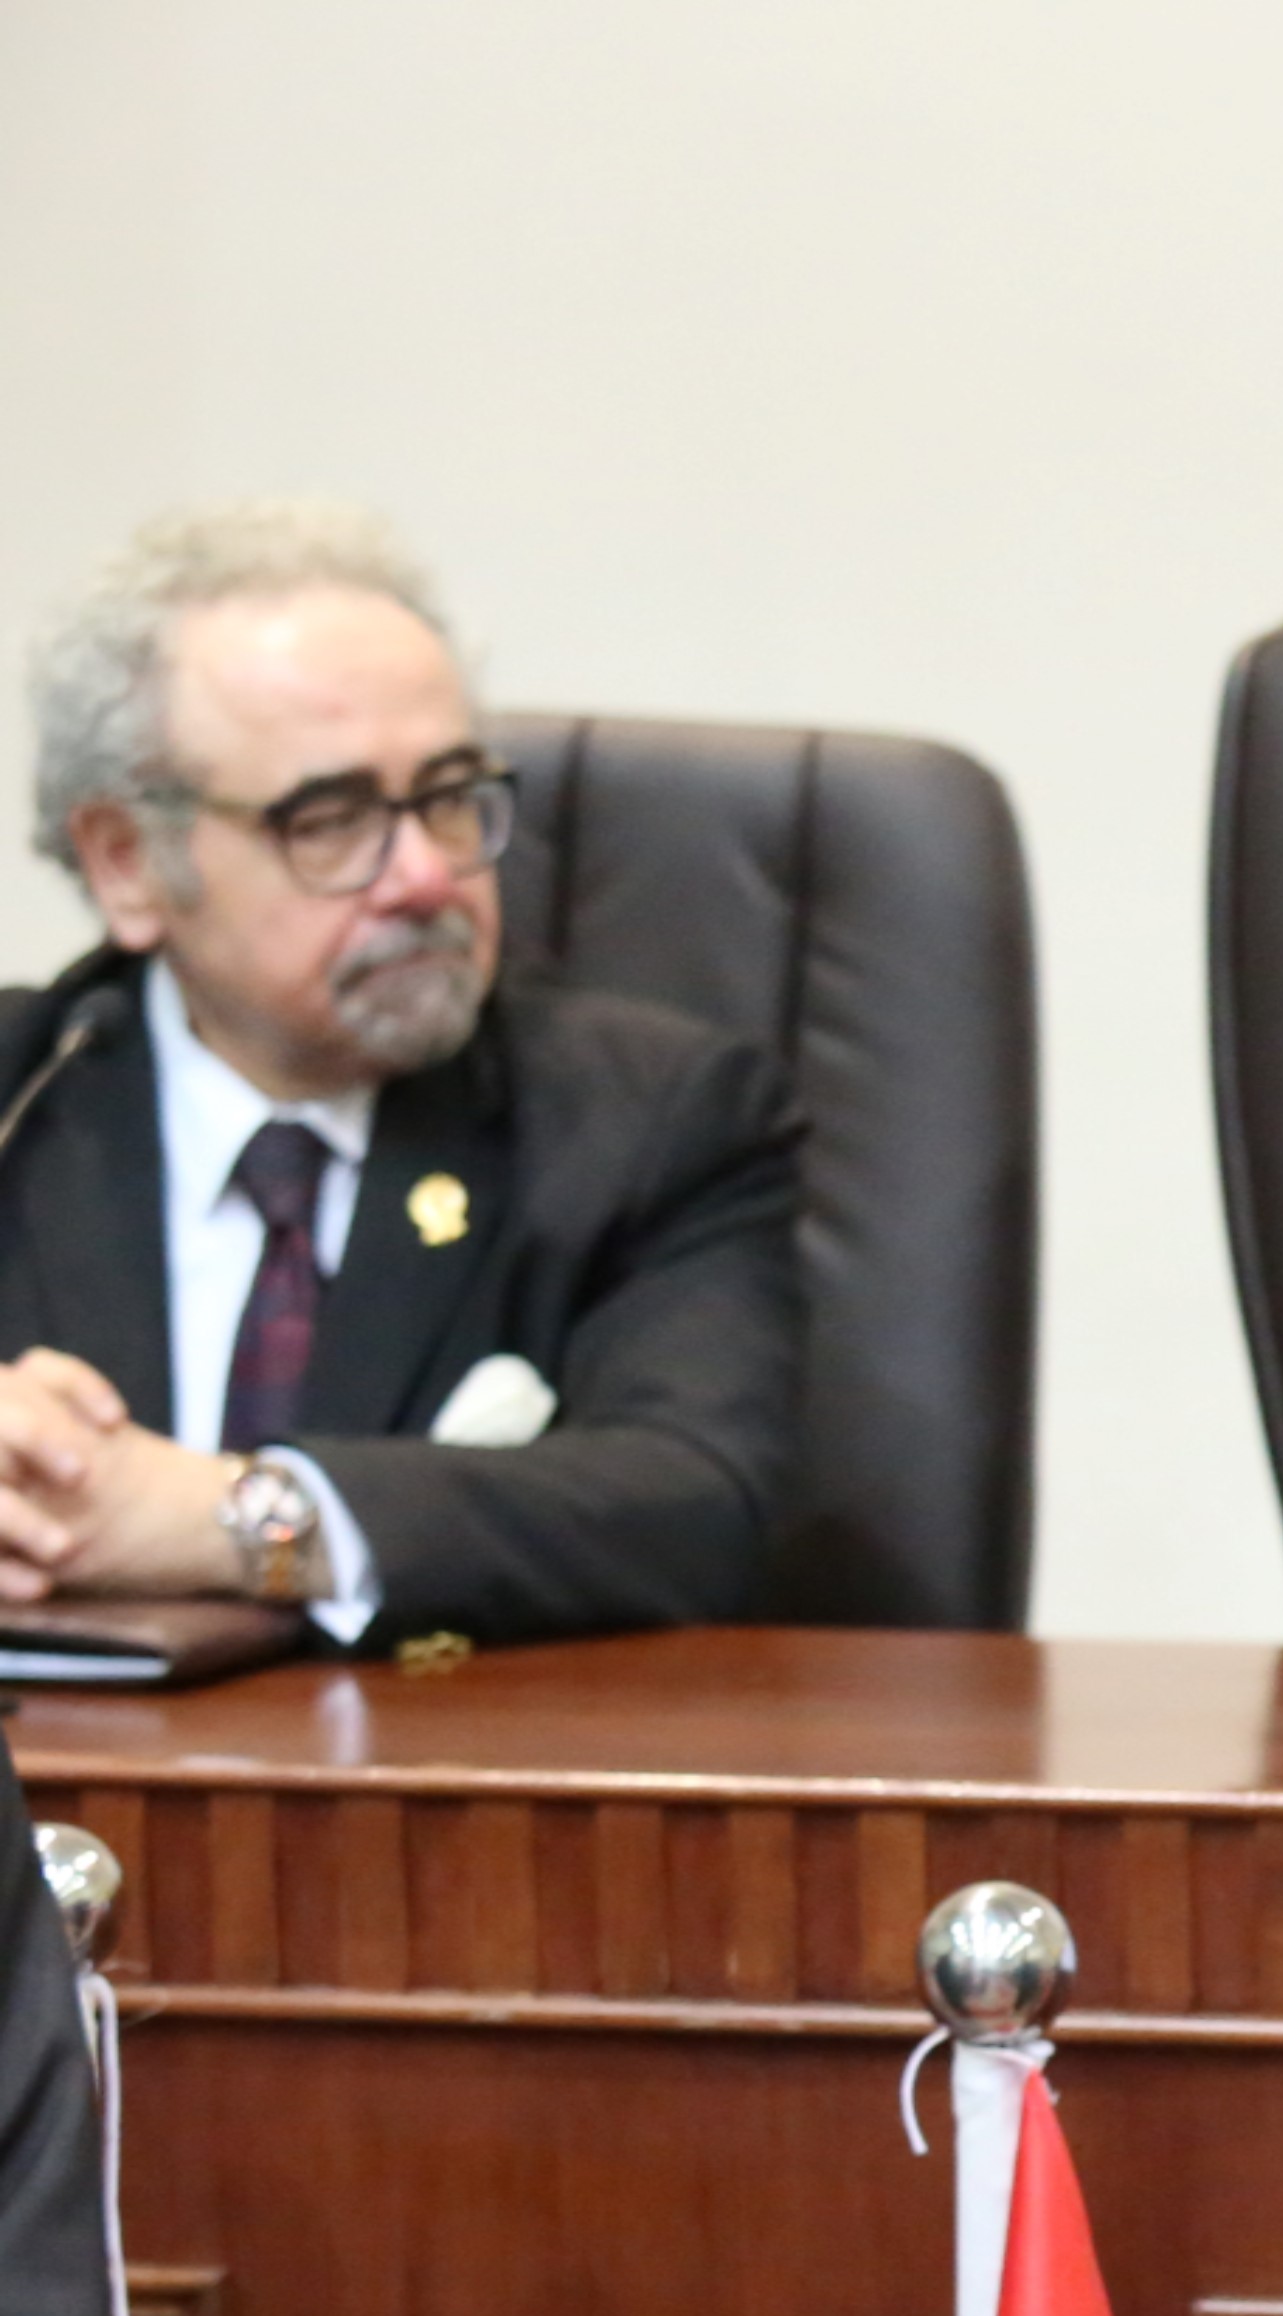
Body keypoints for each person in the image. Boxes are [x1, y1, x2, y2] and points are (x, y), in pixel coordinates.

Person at [0, 502, 799, 1641]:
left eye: (448, 798)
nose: (425, 875)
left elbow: (699, 1503)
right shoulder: (23, 1095)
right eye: (329, 820)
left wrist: (242, 1520)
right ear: (128, 863)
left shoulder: (650, 1119)